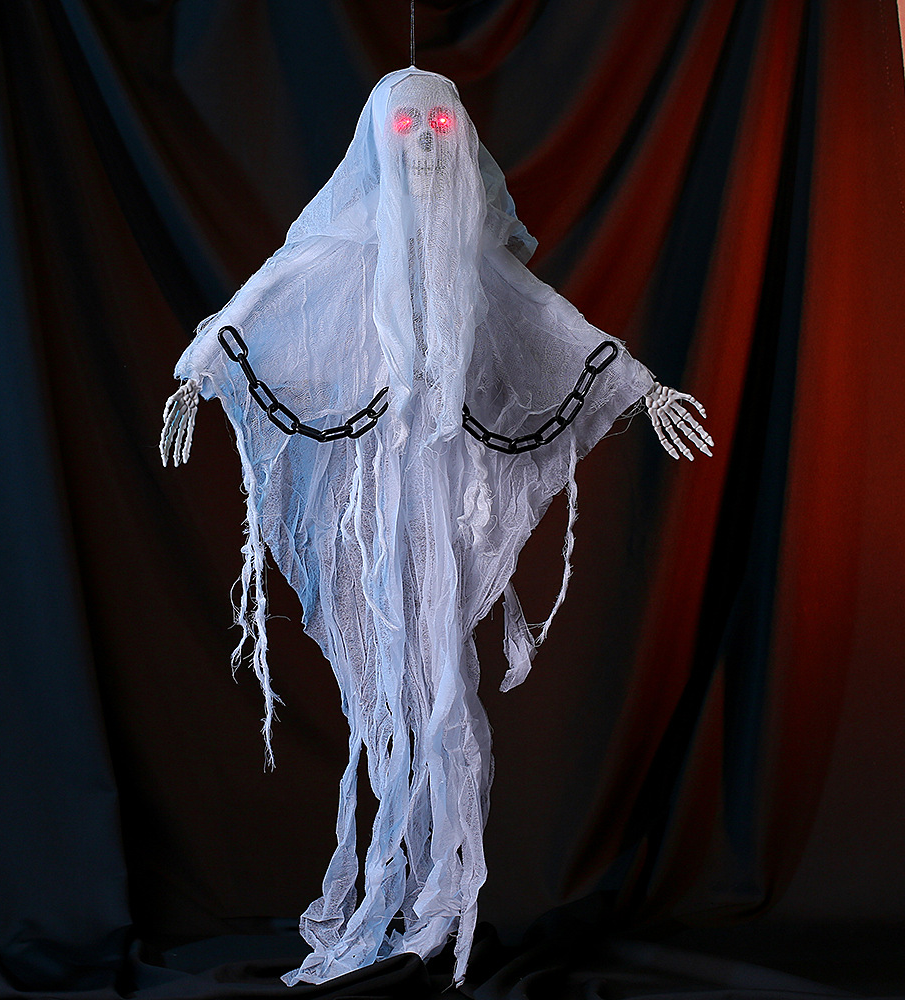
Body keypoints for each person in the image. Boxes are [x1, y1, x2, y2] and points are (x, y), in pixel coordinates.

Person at [161, 67, 712, 986]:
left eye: (442, 124)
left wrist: (639, 386)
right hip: (374, 490)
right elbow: (274, 290)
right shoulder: (342, 249)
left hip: (444, 485)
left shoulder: (476, 265)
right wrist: (198, 370)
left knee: (444, 672)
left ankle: (439, 898)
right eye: (408, 123)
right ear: (378, 139)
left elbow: (543, 315)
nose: (423, 140)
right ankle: (392, 887)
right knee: (387, 679)